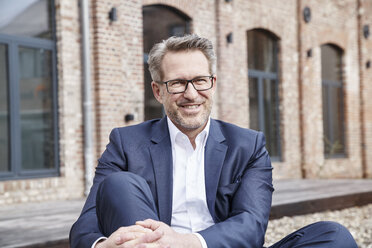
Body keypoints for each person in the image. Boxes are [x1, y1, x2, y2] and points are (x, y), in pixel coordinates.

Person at [70, 34, 357, 248]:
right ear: (158, 91)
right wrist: (103, 246)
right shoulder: (125, 142)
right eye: (178, 83)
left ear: (213, 83)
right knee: (119, 184)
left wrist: (184, 242)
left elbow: (251, 225)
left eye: (200, 80)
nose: (191, 94)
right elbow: (86, 223)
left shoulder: (249, 146)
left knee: (334, 236)